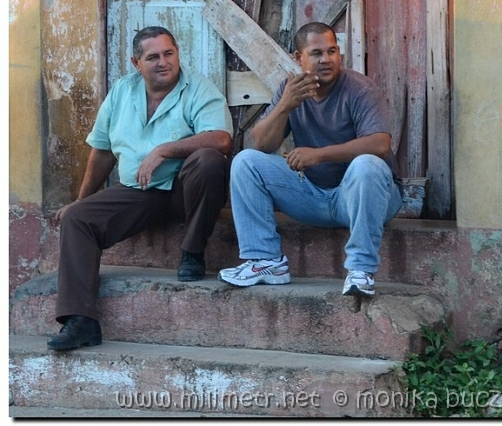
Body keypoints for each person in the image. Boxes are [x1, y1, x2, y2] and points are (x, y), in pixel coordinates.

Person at [47, 25, 233, 351]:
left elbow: (221, 139)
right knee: (78, 219)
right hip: (138, 191)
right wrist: (82, 200)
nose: (163, 62)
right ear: (137, 63)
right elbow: (103, 151)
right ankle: (81, 321)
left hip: (184, 192)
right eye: (153, 57)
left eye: (168, 53)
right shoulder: (122, 91)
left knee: (208, 160)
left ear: (177, 54)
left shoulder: (198, 89)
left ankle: (192, 253)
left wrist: (164, 150)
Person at [218, 22, 402, 297]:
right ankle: (266, 261)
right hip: (315, 196)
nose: (327, 59)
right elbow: (263, 143)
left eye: (332, 51)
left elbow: (380, 144)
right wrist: (285, 106)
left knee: (367, 165)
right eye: (317, 53)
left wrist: (319, 155)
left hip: (364, 199)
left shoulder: (360, 89)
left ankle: (361, 270)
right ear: (298, 57)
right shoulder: (291, 90)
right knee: (246, 162)